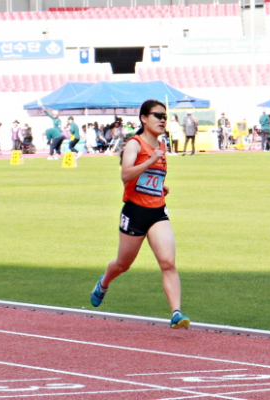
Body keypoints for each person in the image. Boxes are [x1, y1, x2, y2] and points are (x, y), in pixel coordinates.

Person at [90, 99, 190, 330]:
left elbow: (151, 178)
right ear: (144, 118)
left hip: (157, 211)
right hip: (134, 212)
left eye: (165, 116)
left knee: (168, 262)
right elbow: (126, 175)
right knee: (123, 264)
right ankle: (104, 282)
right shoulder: (134, 144)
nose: (163, 120)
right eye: (157, 115)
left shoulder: (162, 146)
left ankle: (176, 313)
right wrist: (151, 160)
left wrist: (160, 187)